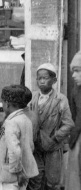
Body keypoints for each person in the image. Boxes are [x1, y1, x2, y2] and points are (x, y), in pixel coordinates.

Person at [27, 63, 74, 190]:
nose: (41, 81)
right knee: (36, 178)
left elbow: (68, 124)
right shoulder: (33, 97)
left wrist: (54, 139)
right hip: (36, 146)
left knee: (52, 182)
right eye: (39, 78)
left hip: (52, 147)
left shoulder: (60, 99)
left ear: (54, 80)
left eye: (45, 78)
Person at [0, 85, 38, 190]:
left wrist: (18, 173)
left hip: (11, 175)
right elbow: (30, 147)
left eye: (2, 103)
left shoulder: (11, 123)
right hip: (24, 172)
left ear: (7, 104)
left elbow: (15, 151)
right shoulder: (26, 119)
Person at [65, 51, 81, 190]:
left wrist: (72, 138)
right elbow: (74, 114)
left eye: (78, 71)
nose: (73, 75)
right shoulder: (76, 89)